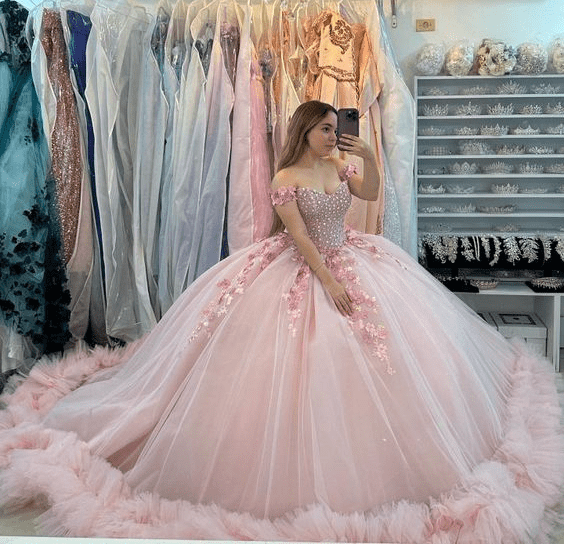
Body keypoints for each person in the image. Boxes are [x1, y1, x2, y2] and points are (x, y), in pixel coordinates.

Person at [0, 100, 562, 543]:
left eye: (333, 128)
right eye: (324, 128)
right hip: (307, 265)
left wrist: (366, 155)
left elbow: (368, 193)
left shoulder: (339, 165)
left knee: (393, 354)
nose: (331, 135)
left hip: (357, 254)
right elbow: (298, 238)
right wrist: (331, 282)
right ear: (304, 131)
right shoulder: (287, 175)